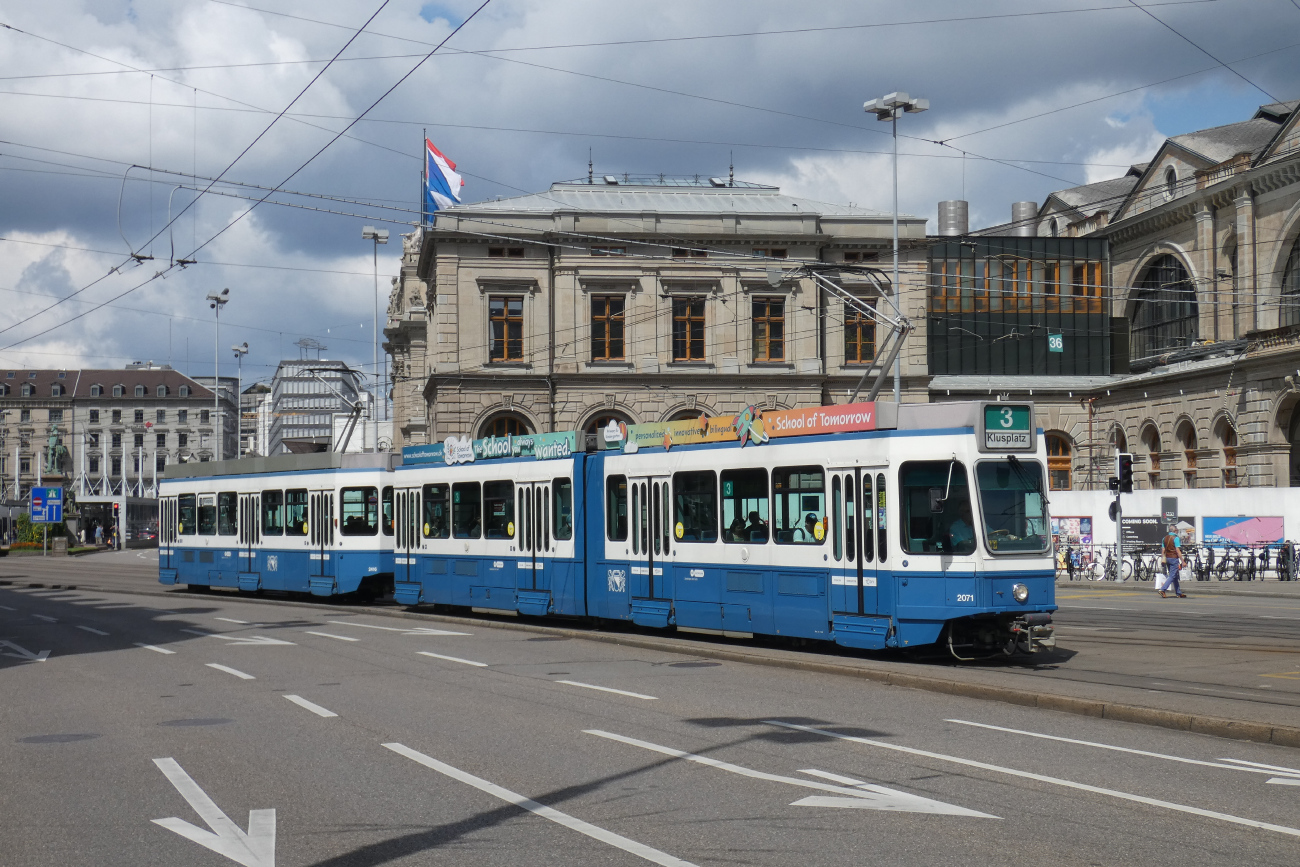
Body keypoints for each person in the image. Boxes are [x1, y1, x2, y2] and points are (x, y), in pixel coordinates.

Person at [1161, 524, 1186, 598]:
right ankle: (1162, 589)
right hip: (1173, 558)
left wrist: (1163, 559)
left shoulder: (1164, 538)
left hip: (1167, 558)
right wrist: (1183, 561)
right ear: (1174, 530)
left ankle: (1178, 592)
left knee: (1174, 576)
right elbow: (1177, 550)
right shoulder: (1176, 538)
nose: (1177, 531)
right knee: (1172, 576)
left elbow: (1163, 550)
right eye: (1177, 530)